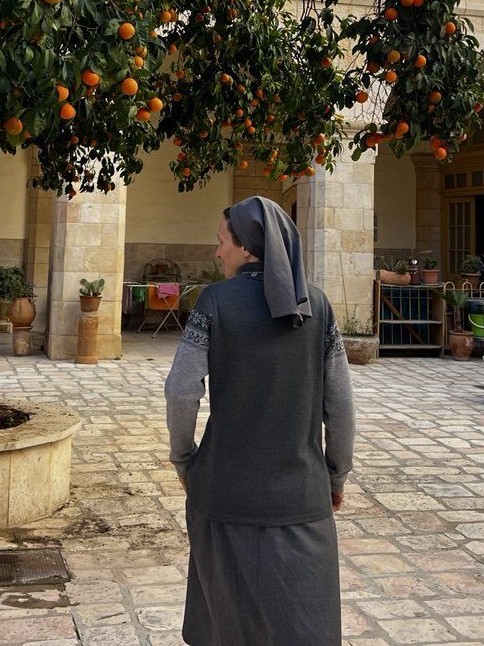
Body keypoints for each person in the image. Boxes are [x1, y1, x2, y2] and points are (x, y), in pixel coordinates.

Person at [165, 195, 356, 646]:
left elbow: (181, 391)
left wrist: (184, 460)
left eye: (222, 242)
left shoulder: (215, 302)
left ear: (248, 248)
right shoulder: (318, 306)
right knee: (303, 628)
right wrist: (336, 475)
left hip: (222, 491)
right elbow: (341, 404)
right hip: (301, 497)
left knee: (226, 625)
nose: (218, 253)